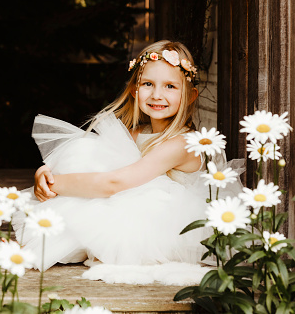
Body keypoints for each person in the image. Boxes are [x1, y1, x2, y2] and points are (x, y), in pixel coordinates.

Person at [12, 40, 243, 283]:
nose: (157, 95)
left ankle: (52, 244)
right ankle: (53, 241)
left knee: (109, 201)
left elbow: (113, 182)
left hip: (166, 228)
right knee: (86, 151)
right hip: (135, 212)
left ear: (190, 95)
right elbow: (88, 159)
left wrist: (55, 184)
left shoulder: (182, 144)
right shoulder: (136, 133)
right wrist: (45, 171)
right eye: (148, 84)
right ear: (134, 89)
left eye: (170, 86)